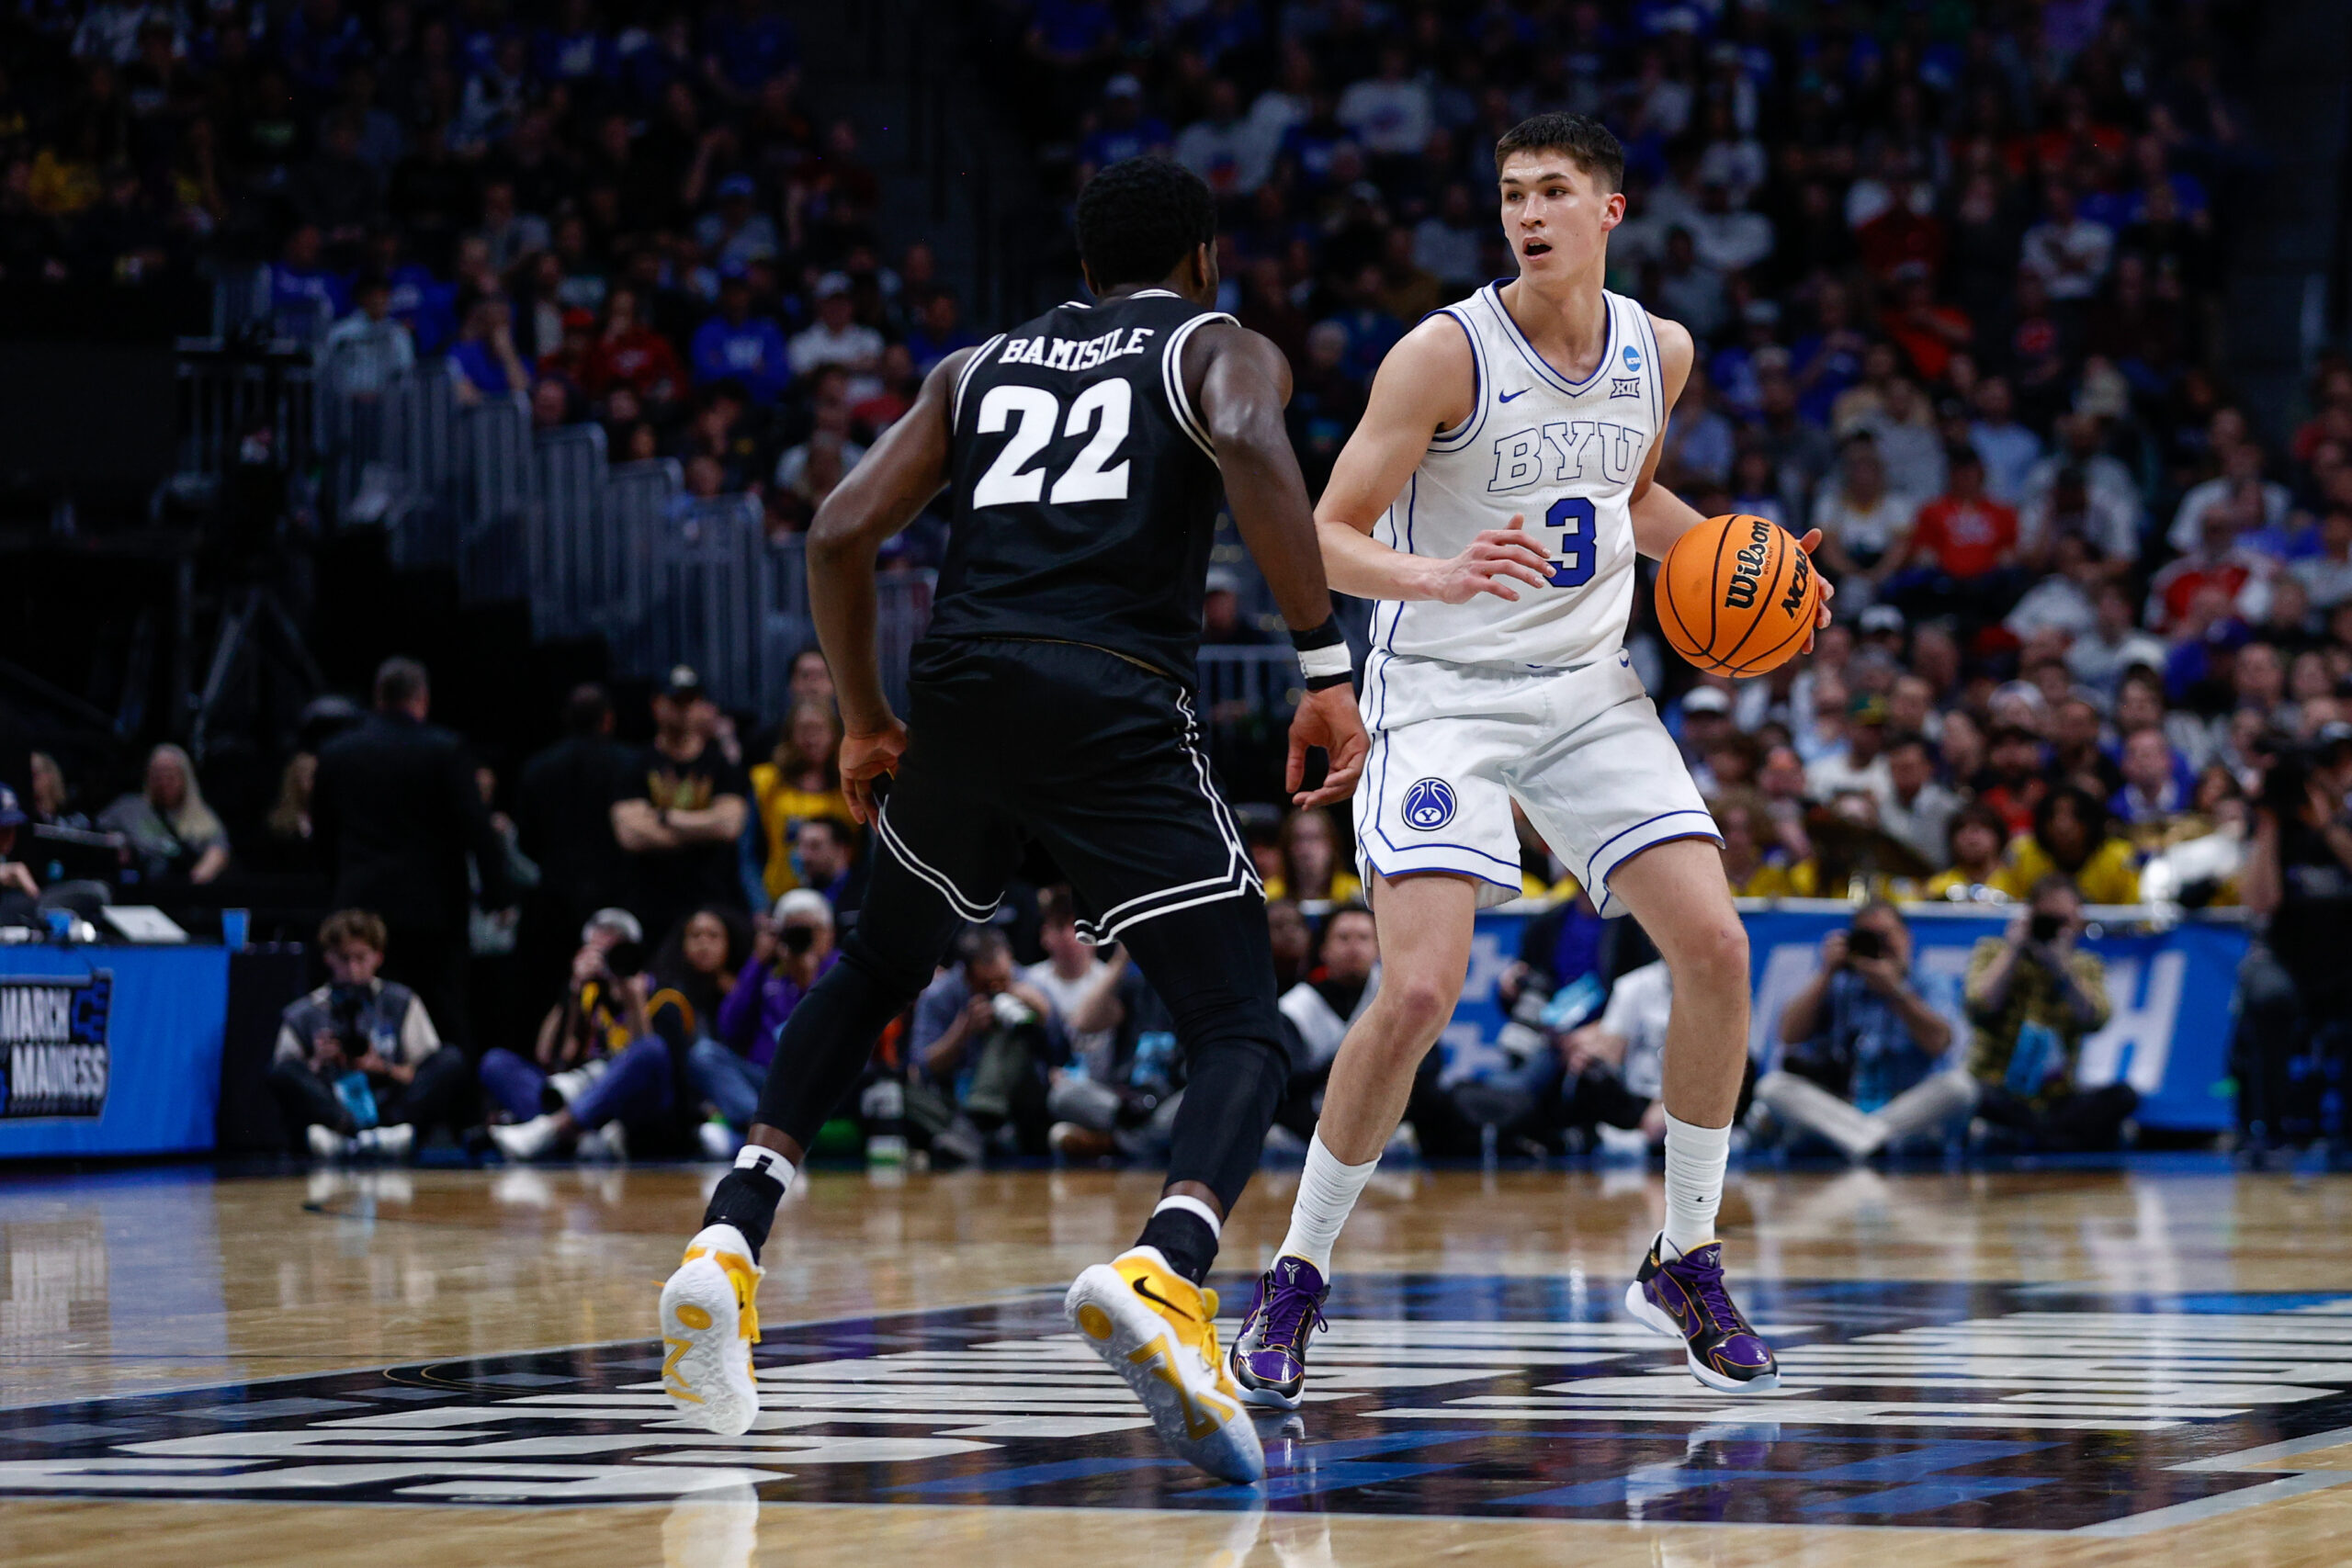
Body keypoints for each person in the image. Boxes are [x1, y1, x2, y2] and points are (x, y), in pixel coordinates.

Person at [658, 155, 1369, 1483]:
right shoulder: (1216, 342)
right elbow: (1261, 446)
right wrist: (1324, 668)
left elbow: (834, 532)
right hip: (1109, 697)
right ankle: (1169, 1266)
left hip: (966, 687)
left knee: (878, 958)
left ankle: (729, 1234)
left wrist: (867, 718)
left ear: (1086, 267)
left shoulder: (974, 366)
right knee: (1238, 1021)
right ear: (1204, 258)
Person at [1234, 114, 1828, 1415]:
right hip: (1442, 690)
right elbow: (1320, 531)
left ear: (1609, 211)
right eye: (1511, 194)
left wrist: (1755, 558)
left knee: (1719, 949)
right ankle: (1295, 1270)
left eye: (1554, 191)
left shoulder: (1657, 350)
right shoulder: (1442, 353)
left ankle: (1686, 1254)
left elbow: (1629, 500)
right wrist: (1434, 572)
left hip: (1586, 688)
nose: (1529, 213)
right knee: (1419, 991)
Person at [311, 660, 515, 1051]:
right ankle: (449, 1108)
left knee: (358, 1010)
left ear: (377, 698)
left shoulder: (337, 753)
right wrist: (498, 893)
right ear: (422, 699)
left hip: (360, 906)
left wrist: (338, 886)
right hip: (432, 912)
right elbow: (476, 826)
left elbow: (323, 835)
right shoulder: (444, 749)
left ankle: (363, 1105)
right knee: (442, 1014)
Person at [1753, 901, 1970, 1161]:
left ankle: (1858, 1140)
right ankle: (1874, 1142)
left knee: (1960, 1088)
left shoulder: (1928, 981)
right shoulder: (1840, 982)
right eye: (1868, 937)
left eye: (1885, 936)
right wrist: (1825, 973)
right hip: (1844, 1104)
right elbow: (1789, 1035)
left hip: (1905, 1107)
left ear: (1906, 938)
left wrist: (1896, 991)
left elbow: (1939, 1043)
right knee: (1772, 1087)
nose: (1878, 946)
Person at [268, 910, 472, 1160]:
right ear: (328, 958)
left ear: (378, 957)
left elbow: (420, 1070)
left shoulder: (401, 1002)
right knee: (283, 1071)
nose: (353, 969)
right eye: (344, 959)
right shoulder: (305, 1012)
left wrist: (381, 1067)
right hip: (334, 1105)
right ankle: (347, 1132)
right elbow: (286, 1073)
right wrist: (318, 1063)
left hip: (390, 1104)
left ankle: (382, 1133)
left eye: (360, 958)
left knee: (450, 1059)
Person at [2233, 725, 2352, 1149]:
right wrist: (2268, 825)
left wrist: (2329, 827)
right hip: (2284, 958)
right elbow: (2260, 903)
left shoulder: (2345, 824)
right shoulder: (2273, 828)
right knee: (2269, 997)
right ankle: (2270, 1127)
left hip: (2342, 963)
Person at [1962, 874, 2131, 1151]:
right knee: (1973, 1094)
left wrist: (2062, 968)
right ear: (2029, 915)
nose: (2054, 928)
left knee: (2123, 1096)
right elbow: (1979, 1006)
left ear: (2078, 922)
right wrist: (2015, 948)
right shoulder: (1994, 951)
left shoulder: (2085, 966)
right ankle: (2048, 1138)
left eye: (2062, 921)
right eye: (2046, 919)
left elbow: (2095, 1019)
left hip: (2056, 1097)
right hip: (1999, 1088)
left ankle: (2030, 1136)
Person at [484, 928, 684, 1161]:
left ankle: (553, 1130)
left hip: (628, 1108)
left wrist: (633, 999)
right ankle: (576, 1138)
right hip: (579, 1093)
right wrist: (573, 991)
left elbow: (647, 1065)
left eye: (616, 950)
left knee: (651, 1048)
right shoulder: (587, 993)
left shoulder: (660, 996)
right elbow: (550, 1057)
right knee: (495, 1062)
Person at [612, 665, 751, 949]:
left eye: (692, 701)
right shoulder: (635, 764)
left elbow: (729, 826)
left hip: (712, 903)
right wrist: (704, 828)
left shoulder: (721, 764)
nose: (685, 709)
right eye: (676, 701)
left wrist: (665, 817)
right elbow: (630, 835)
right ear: (656, 705)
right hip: (653, 907)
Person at [513, 684, 634, 999]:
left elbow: (526, 841)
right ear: (608, 719)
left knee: (555, 989)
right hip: (617, 895)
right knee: (617, 988)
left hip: (554, 900)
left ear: (566, 719)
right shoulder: (629, 764)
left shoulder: (537, 768)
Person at [698, 890, 837, 1156]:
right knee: (704, 1054)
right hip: (765, 1081)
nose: (800, 938)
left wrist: (809, 984)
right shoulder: (767, 973)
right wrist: (757, 961)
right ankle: (772, 1135)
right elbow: (729, 1029)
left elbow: (831, 1039)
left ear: (827, 934)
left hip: (817, 1084)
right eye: (791, 931)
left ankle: (747, 1141)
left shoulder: (841, 970)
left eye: (808, 930)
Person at [747, 699, 848, 902]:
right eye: (804, 730)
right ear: (790, 735)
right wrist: (759, 905)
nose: (812, 739)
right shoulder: (767, 782)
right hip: (778, 902)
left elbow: (865, 856)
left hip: (842, 904)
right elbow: (748, 854)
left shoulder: (851, 785)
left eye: (819, 729)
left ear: (834, 735)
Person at [98, 743, 231, 887]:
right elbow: (97, 832)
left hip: (183, 890)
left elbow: (218, 851)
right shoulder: (128, 808)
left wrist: (196, 880)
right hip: (138, 888)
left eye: (170, 773)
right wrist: (116, 843)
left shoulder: (203, 816)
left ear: (185, 777)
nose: (163, 780)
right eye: (157, 773)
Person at [1993, 785, 2142, 906]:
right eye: (2053, 816)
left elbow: (2137, 913)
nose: (2062, 825)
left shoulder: (2119, 858)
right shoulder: (2022, 853)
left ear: (2091, 822)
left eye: (2074, 816)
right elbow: (1997, 900)